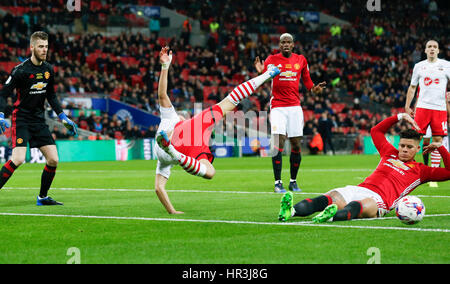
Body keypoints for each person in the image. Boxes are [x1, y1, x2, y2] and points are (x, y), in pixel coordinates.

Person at [154, 47, 280, 214]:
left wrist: (172, 211)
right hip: (187, 142)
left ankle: (173, 151)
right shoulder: (176, 120)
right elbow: (162, 95)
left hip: (180, 148)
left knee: (210, 172)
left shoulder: (171, 126)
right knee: (230, 100)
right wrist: (165, 67)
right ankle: (267, 75)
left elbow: (159, 188)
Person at [278, 113, 450, 223]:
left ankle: (330, 216)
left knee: (359, 205)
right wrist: (399, 117)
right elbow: (376, 131)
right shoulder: (389, 152)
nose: (404, 150)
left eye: (409, 147)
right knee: (330, 196)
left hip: (380, 200)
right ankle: (290, 211)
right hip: (359, 188)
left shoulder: (421, 171)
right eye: (402, 145)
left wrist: (439, 147)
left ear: (417, 149)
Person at [0, 31, 78, 205]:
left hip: (38, 120)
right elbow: (3, 94)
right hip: (21, 119)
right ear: (32, 47)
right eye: (41, 46)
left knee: (53, 159)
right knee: (18, 159)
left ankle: (42, 197)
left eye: (46, 47)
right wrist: (0, 115)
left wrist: (63, 117)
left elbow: (51, 96)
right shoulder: (20, 70)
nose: (44, 50)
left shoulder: (48, 70)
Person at [254, 33, 326, 193]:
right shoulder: (271, 60)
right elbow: (262, 80)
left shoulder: (301, 60)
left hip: (295, 108)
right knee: (278, 143)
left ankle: (293, 182)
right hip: (278, 107)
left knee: (296, 145)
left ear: (293, 45)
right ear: (279, 45)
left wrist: (316, 90)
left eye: (288, 42)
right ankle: (278, 183)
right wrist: (260, 73)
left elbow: (309, 84)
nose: (286, 44)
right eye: (283, 42)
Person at [404, 40, 450, 187]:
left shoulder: (447, 65)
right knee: (414, 139)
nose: (432, 49)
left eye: (434, 47)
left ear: (438, 50)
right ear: (425, 50)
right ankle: (406, 169)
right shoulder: (419, 67)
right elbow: (412, 87)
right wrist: (407, 105)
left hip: (440, 108)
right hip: (423, 108)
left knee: (437, 141)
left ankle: (433, 175)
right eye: (429, 47)